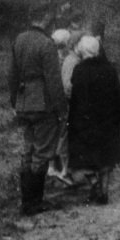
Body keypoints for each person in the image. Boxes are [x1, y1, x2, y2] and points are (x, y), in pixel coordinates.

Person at [8, 3, 68, 216]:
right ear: (43, 20)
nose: (52, 24)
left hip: (24, 102)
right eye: (50, 20)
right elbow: (53, 81)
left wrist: (15, 100)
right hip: (42, 104)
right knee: (41, 153)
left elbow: (12, 75)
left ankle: (27, 201)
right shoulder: (46, 44)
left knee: (28, 150)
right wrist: (61, 109)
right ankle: (34, 203)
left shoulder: (19, 40)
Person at [68, 35, 120, 205]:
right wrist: (119, 118)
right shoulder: (110, 69)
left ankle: (94, 185)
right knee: (106, 158)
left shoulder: (79, 70)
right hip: (108, 121)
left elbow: (76, 99)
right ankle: (104, 191)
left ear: (83, 51)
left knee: (85, 157)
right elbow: (118, 96)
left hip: (86, 122)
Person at [47, 28, 73, 184]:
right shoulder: (64, 58)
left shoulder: (51, 56)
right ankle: (63, 169)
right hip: (61, 99)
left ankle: (52, 166)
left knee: (53, 132)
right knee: (63, 133)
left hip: (51, 99)